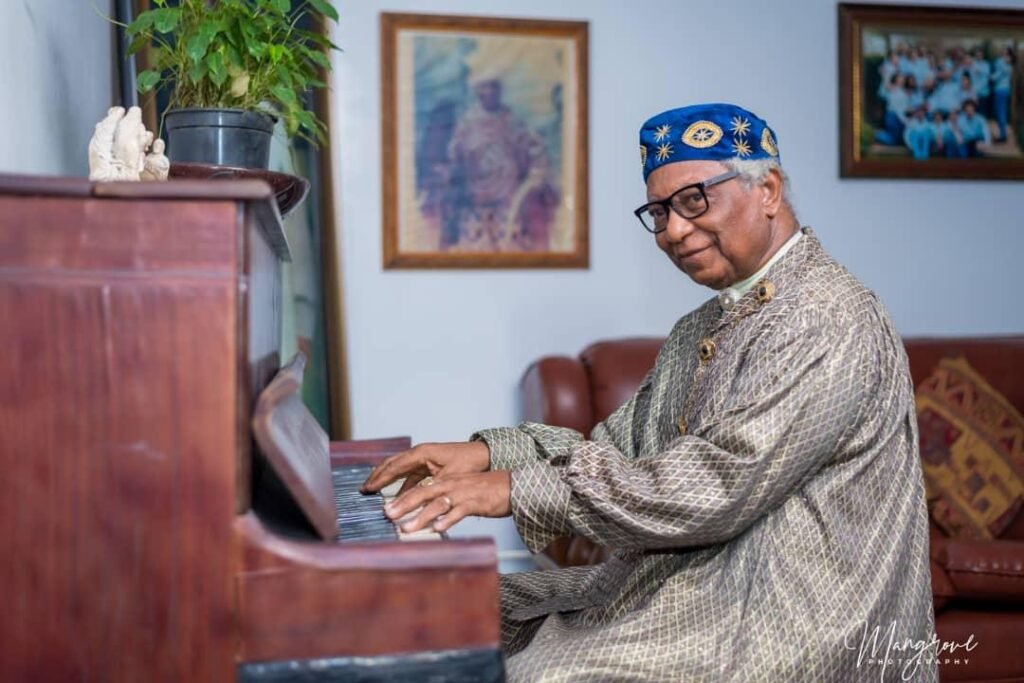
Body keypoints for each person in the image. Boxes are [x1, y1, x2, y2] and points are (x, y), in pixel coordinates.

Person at [362, 103, 937, 682]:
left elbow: (715, 484)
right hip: (692, 588)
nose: (674, 232)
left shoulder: (828, 316)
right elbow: (615, 449)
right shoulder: (702, 327)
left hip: (792, 624)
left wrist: (514, 489)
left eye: (694, 200)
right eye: (660, 212)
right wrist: (488, 455)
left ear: (767, 189)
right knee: (458, 607)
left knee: (543, 675)